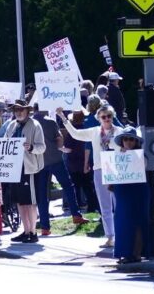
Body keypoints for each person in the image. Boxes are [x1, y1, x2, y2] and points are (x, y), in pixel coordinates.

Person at [56, 104, 120, 247]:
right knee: (105, 206)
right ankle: (110, 237)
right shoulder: (95, 131)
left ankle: (121, 236)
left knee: (119, 205)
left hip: (116, 171)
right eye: (103, 117)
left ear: (113, 116)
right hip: (99, 170)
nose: (107, 119)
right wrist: (62, 117)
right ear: (99, 118)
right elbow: (75, 134)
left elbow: (128, 146)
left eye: (109, 116)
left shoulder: (119, 131)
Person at [34, 104, 84, 231]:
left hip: (39, 162)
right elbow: (59, 139)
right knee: (68, 186)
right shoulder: (50, 122)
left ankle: (45, 227)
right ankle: (76, 215)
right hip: (55, 159)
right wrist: (59, 148)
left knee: (42, 194)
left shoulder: (31, 123)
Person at [3, 100, 46, 243]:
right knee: (19, 202)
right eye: (16, 110)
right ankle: (26, 230)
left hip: (30, 168)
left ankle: (33, 232)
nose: (19, 112)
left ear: (27, 111)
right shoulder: (11, 125)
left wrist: (31, 147)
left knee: (30, 202)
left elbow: (42, 147)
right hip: (15, 168)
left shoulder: (35, 125)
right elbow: (4, 143)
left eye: (21, 109)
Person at [110, 127, 152, 264]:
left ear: (136, 142)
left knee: (138, 222)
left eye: (131, 139)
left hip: (138, 191)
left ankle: (137, 254)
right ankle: (124, 253)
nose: (128, 142)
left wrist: (129, 154)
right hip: (122, 192)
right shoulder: (116, 156)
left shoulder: (141, 155)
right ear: (122, 141)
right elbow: (112, 171)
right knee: (122, 221)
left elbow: (142, 166)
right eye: (126, 139)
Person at [62, 110, 96, 213]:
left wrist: (60, 148)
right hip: (86, 161)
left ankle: (78, 207)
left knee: (75, 186)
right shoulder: (87, 130)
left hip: (74, 163)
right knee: (88, 186)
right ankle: (92, 207)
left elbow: (68, 149)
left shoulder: (72, 132)